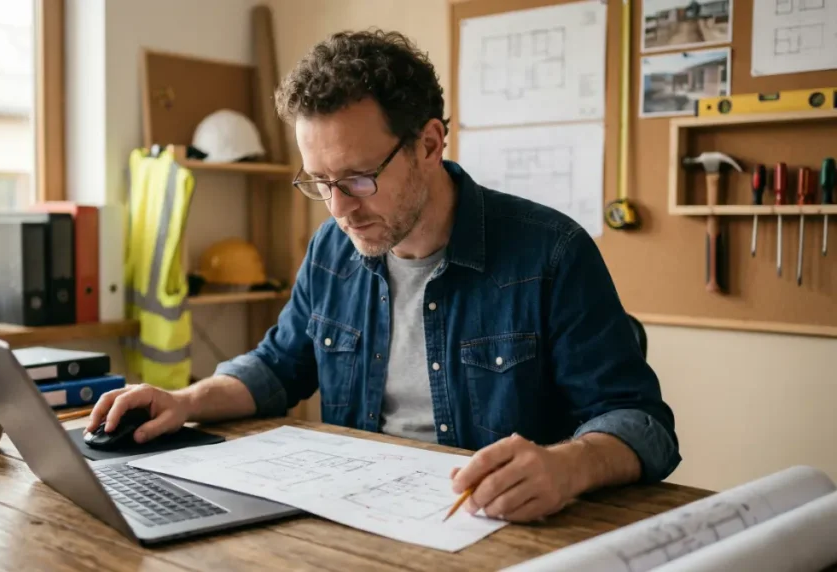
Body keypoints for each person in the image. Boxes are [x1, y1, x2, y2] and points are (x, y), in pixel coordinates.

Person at [88, 29, 680, 523]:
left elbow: (644, 424)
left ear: (429, 143)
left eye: (357, 178)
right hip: (358, 524)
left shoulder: (551, 253)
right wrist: (184, 401)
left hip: (496, 530)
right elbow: (278, 367)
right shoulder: (331, 249)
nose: (339, 209)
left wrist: (568, 466)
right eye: (319, 182)